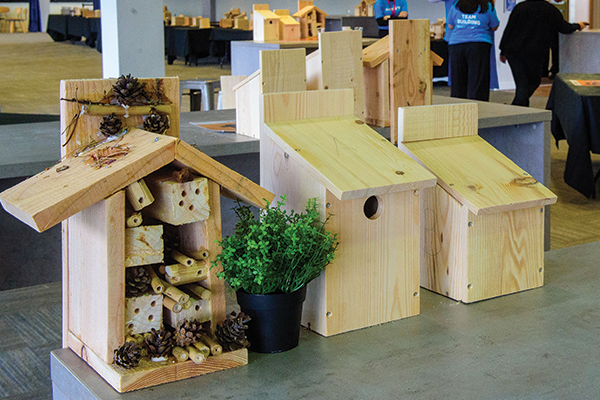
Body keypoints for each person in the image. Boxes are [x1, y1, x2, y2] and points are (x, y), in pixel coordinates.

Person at [499, 0, 587, 107]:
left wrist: (503, 50)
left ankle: (517, 107)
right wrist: (578, 25)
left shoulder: (520, 7)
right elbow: (564, 27)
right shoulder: (549, 9)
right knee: (533, 82)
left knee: (522, 83)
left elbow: (509, 29)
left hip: (515, 51)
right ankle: (518, 108)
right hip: (535, 52)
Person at [446, 0, 499, 101]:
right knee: (478, 79)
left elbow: (451, 26)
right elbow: (494, 26)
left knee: (458, 80)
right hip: (479, 44)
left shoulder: (456, 5)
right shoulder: (487, 6)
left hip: (457, 44)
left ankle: (458, 105)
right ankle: (478, 105)